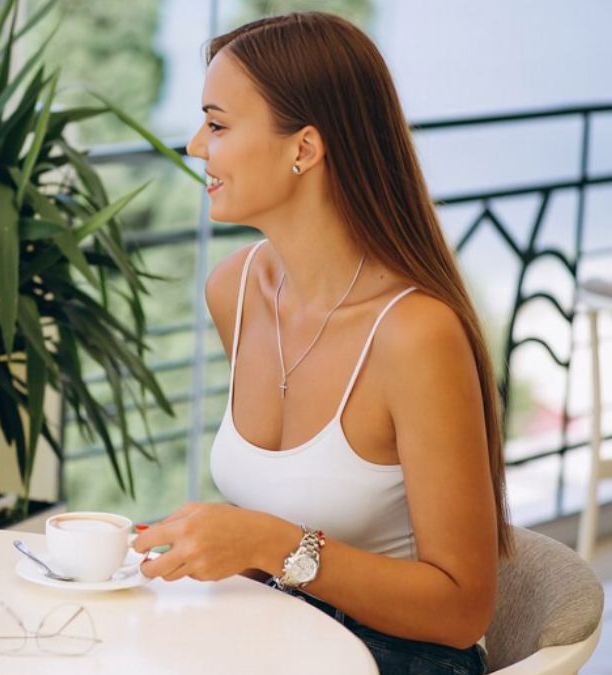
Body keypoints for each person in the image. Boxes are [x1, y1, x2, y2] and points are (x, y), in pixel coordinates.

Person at [133, 13, 506, 673]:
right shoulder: (234, 290)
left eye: (218, 124)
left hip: (399, 657)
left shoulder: (415, 334)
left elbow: (462, 609)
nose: (196, 146)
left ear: (304, 148)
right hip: (280, 639)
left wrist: (265, 542)